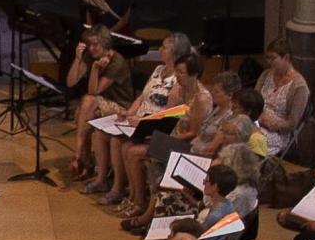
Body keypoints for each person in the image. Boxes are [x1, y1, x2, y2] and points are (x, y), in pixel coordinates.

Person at [86, 32, 190, 203]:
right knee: (99, 133)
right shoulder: (158, 69)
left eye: (164, 47)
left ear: (175, 52)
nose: (160, 49)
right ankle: (101, 179)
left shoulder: (177, 80)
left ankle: (119, 189)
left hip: (152, 125)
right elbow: (142, 96)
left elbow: (169, 113)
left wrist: (142, 121)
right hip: (137, 119)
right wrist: (130, 112)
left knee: (117, 141)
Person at [116, 53, 210, 228]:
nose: (178, 76)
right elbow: (170, 116)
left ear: (194, 74)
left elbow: (193, 132)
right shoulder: (181, 90)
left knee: (136, 153)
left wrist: (165, 139)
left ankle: (141, 205)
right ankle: (135, 198)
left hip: (189, 145)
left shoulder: (201, 98)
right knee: (129, 145)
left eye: (182, 73)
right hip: (173, 137)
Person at [68, 28, 135, 179]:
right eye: (89, 44)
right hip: (99, 103)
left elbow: (94, 91)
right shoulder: (91, 56)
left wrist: (95, 69)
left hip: (120, 105)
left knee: (87, 102)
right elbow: (70, 82)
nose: (91, 48)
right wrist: (77, 59)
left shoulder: (116, 61)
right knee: (83, 113)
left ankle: (80, 157)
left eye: (95, 44)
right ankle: (84, 161)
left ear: (105, 44)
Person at [255, 37, 311, 156]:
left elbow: (292, 123)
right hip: (257, 122)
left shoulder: (299, 86)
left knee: (249, 139)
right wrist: (258, 117)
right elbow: (253, 101)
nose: (268, 62)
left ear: (286, 58)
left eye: (273, 58)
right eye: (267, 58)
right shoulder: (266, 75)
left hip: (278, 133)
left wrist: (271, 124)